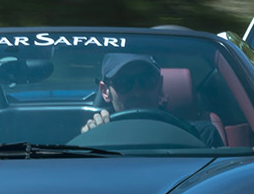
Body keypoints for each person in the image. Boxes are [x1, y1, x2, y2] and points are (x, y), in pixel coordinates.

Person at [79, 52, 223, 146]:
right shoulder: (95, 137)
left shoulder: (201, 136)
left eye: (146, 80)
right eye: (124, 82)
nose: (137, 91)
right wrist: (91, 140)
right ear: (105, 91)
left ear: (159, 85)